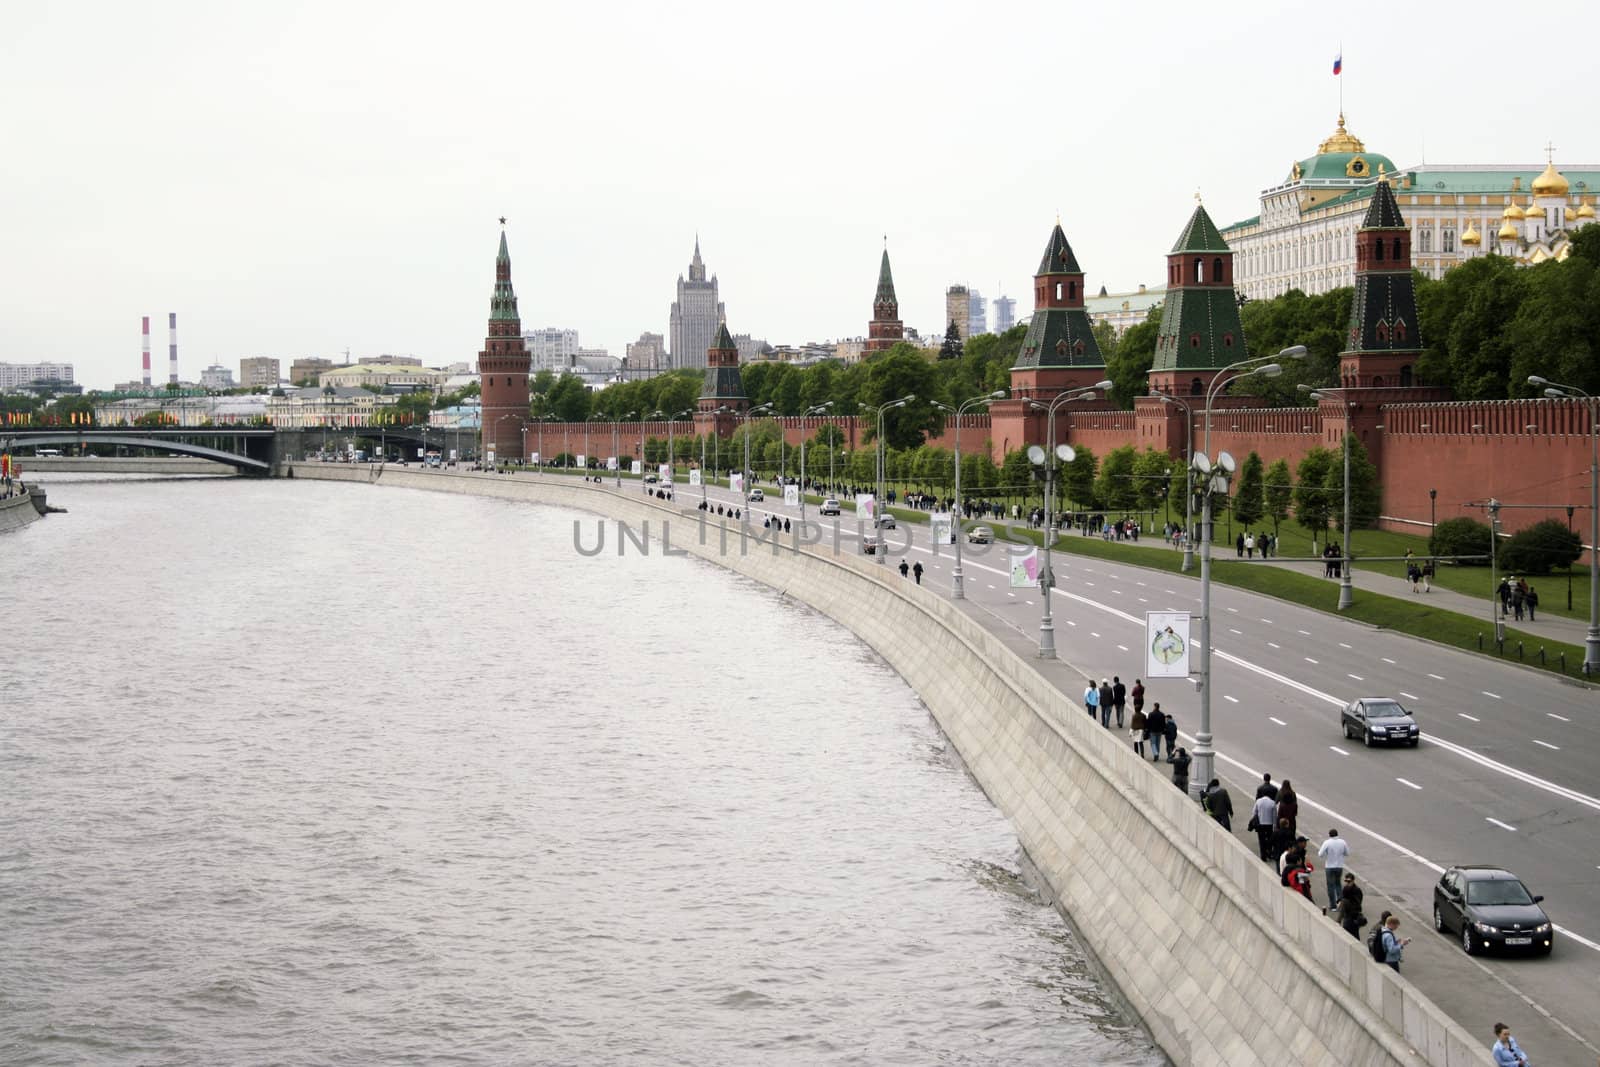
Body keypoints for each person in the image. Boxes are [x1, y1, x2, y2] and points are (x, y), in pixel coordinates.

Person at [1317, 829, 1350, 912]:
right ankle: (1340, 901)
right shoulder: (1342, 842)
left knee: (1330, 886)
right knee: (1338, 884)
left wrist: (1327, 854)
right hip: (1339, 866)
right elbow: (1347, 853)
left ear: (1329, 835)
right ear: (1337, 834)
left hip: (1329, 866)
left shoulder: (1327, 842)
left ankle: (1333, 906)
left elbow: (1320, 854)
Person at [1336, 872, 1366, 940]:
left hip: (1354, 914)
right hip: (1347, 914)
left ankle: (1338, 921)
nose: (1347, 883)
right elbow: (1341, 897)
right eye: (1346, 881)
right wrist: (1339, 902)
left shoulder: (1357, 890)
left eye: (1349, 881)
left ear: (1353, 881)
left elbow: (1357, 903)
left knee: (1353, 934)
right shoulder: (1345, 888)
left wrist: (1346, 901)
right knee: (1348, 933)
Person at [1250, 791, 1278, 861]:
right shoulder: (1272, 802)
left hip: (1261, 824)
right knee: (1270, 839)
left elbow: (1254, 812)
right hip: (1269, 824)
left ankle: (1263, 856)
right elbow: (1274, 816)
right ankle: (1269, 852)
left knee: (1261, 840)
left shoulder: (1258, 801)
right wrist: (1275, 826)